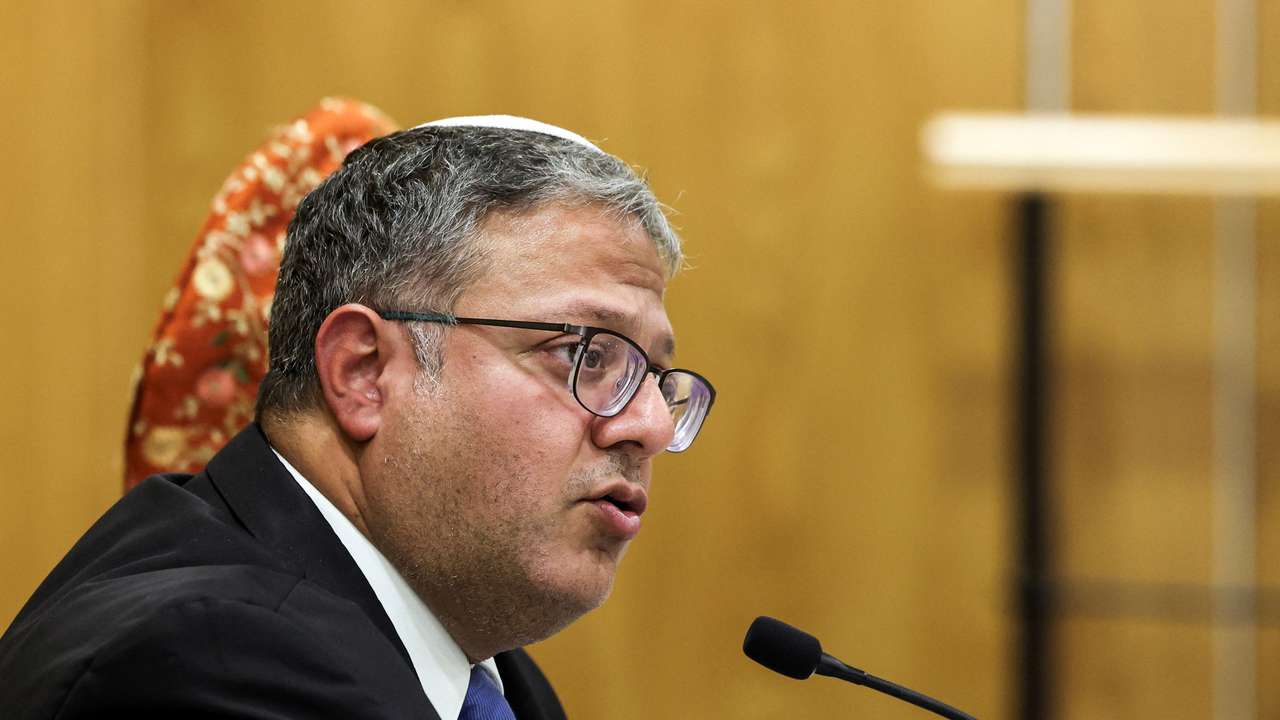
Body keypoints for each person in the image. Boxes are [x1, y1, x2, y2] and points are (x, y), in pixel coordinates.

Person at [0, 115, 715, 719]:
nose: (650, 425)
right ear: (362, 373)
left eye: (652, 376)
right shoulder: (205, 667)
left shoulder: (492, 676)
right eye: (585, 354)